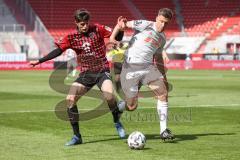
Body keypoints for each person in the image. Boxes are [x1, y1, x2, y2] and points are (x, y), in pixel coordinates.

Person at [29, 8, 126, 146]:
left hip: (101, 71)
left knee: (109, 96)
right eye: (81, 24)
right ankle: (77, 136)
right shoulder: (71, 37)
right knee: (70, 99)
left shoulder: (98, 29)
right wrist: (39, 61)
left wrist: (121, 29)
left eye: (86, 23)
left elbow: (116, 38)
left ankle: (117, 121)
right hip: (85, 74)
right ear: (76, 22)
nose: (85, 26)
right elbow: (58, 51)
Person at [110, 8, 175, 140]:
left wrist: (165, 78)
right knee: (132, 106)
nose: (162, 25)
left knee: (163, 93)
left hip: (148, 68)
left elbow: (158, 58)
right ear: (157, 18)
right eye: (161, 21)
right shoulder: (145, 24)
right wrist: (112, 38)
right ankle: (120, 107)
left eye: (166, 23)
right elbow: (122, 23)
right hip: (131, 67)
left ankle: (164, 131)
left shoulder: (162, 38)